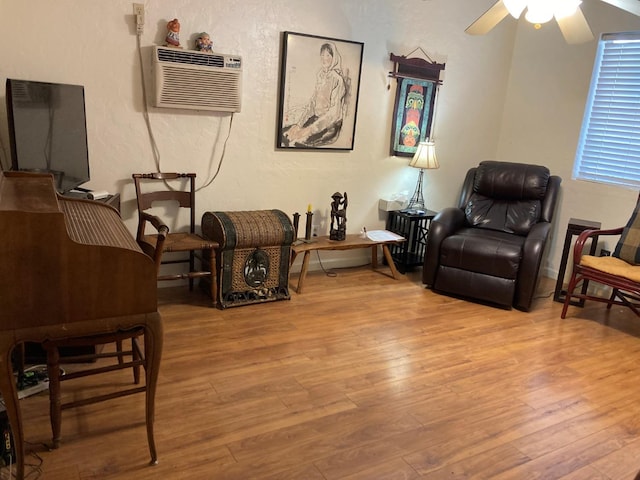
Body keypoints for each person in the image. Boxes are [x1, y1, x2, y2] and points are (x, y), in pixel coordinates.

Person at [283, 42, 348, 147]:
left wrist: (309, 130)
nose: (324, 59)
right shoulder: (321, 76)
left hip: (329, 125)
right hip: (316, 120)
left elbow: (333, 113)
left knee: (297, 143)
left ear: (334, 57)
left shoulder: (337, 79)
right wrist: (298, 125)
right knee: (286, 133)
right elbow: (313, 103)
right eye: (322, 55)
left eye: (328, 55)